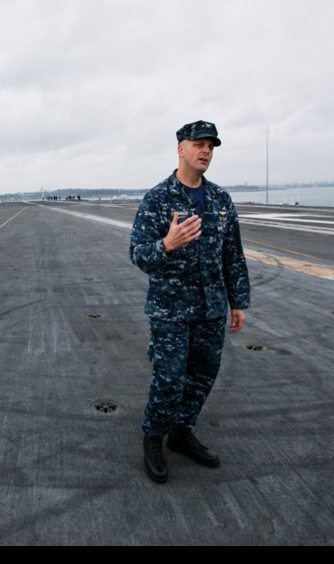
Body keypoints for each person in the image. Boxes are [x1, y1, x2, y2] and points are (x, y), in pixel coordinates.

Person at [129, 119, 250, 483]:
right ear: (180, 148)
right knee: (169, 378)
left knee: (202, 376)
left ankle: (182, 432)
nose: (206, 151)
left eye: (211, 146)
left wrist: (238, 301)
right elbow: (138, 254)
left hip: (211, 309)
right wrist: (167, 244)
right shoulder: (158, 199)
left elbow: (233, 254)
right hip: (171, 310)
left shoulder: (221, 200)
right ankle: (154, 436)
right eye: (199, 144)